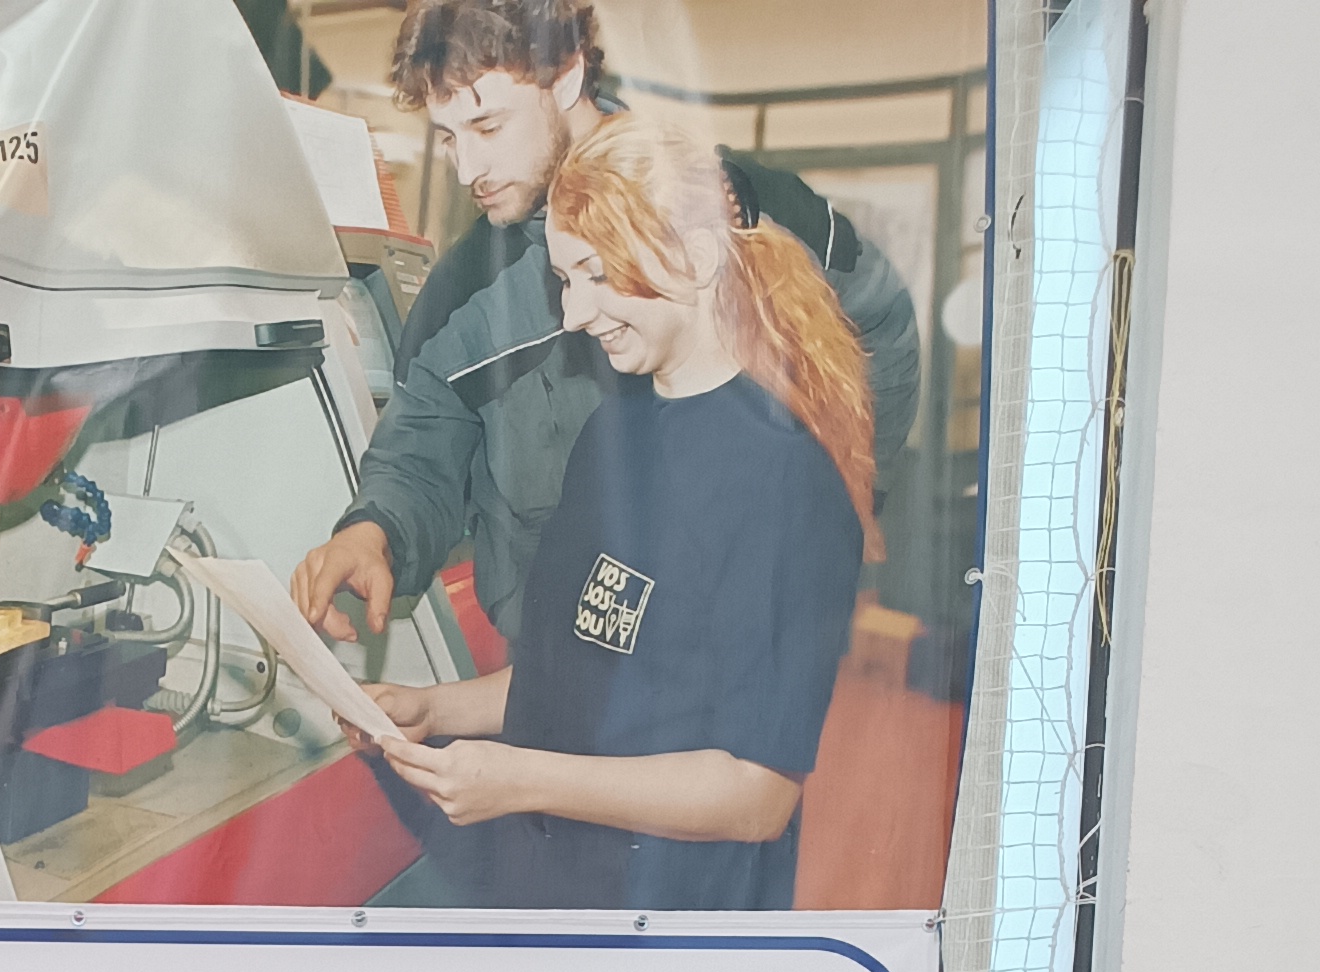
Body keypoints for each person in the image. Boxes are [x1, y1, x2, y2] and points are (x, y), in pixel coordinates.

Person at [290, 2, 915, 660]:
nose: (467, 169)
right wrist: (372, 531)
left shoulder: (740, 205)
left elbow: (881, 330)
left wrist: (841, 510)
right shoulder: (465, 293)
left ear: (565, 76)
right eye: (447, 137)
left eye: (487, 125)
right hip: (561, 668)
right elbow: (421, 444)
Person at [362, 111, 874, 910]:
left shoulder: (784, 483)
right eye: (566, 279)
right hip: (556, 885)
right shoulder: (614, 429)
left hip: (668, 919)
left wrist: (523, 780)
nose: (574, 313)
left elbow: (757, 794)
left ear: (696, 258)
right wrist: (431, 709)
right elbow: (575, 672)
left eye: (598, 274)